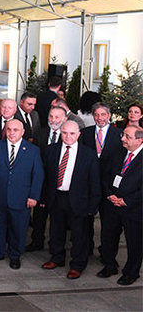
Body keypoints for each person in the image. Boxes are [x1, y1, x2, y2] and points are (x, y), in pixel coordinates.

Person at [40, 121, 101, 279]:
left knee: (79, 234)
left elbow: (94, 182)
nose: (68, 136)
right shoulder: (50, 151)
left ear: (78, 134)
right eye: (65, 133)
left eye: (72, 133)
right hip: (56, 197)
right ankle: (57, 258)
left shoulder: (88, 154)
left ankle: (77, 265)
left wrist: (93, 206)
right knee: (56, 230)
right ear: (61, 133)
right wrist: (43, 198)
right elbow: (45, 177)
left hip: (78, 200)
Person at [0, 119, 44, 269]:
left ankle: (15, 255)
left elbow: (38, 175)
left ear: (23, 132)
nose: (11, 133)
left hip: (21, 198)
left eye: (15, 130)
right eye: (9, 129)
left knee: (18, 227)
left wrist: (34, 196)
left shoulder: (32, 150)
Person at [98, 125, 142, 286]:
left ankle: (131, 272)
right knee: (108, 237)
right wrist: (109, 193)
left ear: (139, 140)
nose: (122, 139)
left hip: (134, 209)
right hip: (112, 204)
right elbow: (106, 174)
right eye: (123, 135)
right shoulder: (118, 152)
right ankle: (110, 265)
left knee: (134, 242)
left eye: (127, 137)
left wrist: (127, 200)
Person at [80, 102, 125, 253]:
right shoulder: (85, 133)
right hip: (87, 186)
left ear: (109, 115)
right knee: (86, 222)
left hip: (109, 187)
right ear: (93, 116)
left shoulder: (119, 135)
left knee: (109, 225)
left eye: (103, 114)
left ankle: (107, 254)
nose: (100, 118)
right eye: (97, 115)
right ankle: (86, 250)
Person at [26, 106, 68, 252]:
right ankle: (37, 241)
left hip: (60, 182)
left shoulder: (68, 135)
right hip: (41, 181)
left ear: (65, 119)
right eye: (51, 116)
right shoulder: (41, 133)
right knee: (38, 216)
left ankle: (55, 246)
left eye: (57, 117)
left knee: (57, 218)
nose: (53, 120)